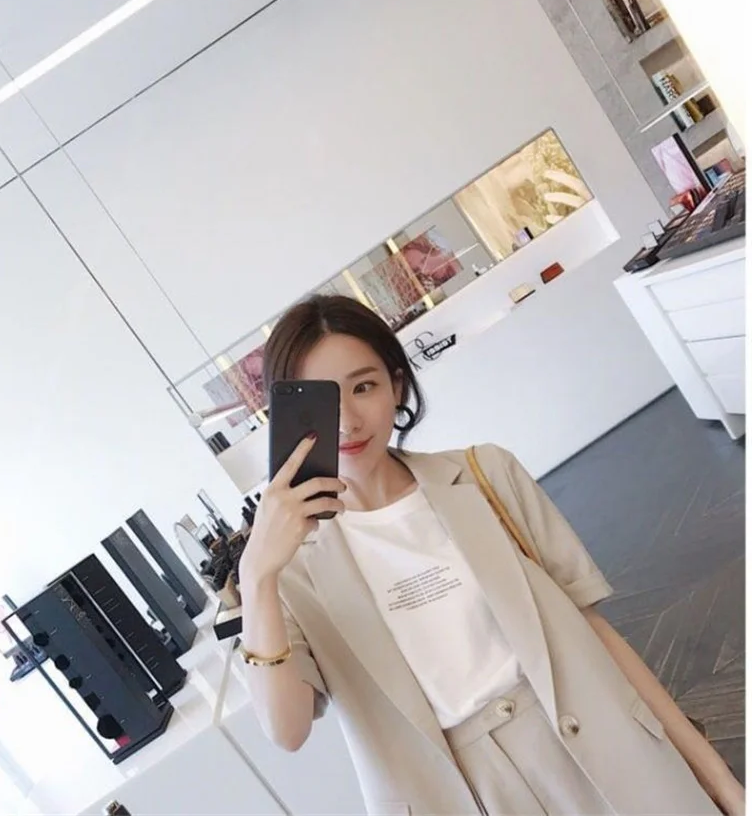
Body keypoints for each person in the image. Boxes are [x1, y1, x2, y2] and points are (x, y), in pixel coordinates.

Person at [238, 294, 744, 816]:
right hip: (461, 795)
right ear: (290, 416)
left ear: (397, 386)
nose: (347, 421)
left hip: (607, 745)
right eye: (323, 400)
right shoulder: (289, 567)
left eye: (363, 387)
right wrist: (255, 577)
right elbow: (287, 730)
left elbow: (595, 631)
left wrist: (719, 780)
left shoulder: (486, 474)